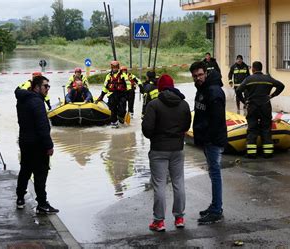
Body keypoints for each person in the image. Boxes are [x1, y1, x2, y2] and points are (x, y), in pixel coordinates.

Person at [142, 74, 191, 232]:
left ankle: (159, 221)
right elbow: (186, 126)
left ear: (160, 87)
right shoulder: (183, 104)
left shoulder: (154, 105)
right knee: (178, 183)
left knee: (160, 185)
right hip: (177, 149)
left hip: (158, 150)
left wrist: (157, 136)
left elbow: (147, 130)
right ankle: (179, 218)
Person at [189, 61, 227, 224]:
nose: (198, 78)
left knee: (215, 173)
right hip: (207, 139)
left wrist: (209, 139)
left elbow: (217, 120)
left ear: (206, 73)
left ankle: (217, 210)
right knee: (213, 173)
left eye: (200, 74)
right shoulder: (203, 89)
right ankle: (214, 206)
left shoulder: (213, 91)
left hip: (213, 140)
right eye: (195, 76)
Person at [15, 75, 59, 214]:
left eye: (49, 86)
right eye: (45, 86)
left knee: (25, 170)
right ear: (37, 87)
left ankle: (20, 198)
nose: (47, 89)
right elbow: (42, 126)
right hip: (38, 144)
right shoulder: (37, 102)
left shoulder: (22, 99)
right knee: (41, 173)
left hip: (25, 141)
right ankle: (42, 204)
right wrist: (49, 145)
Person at [236, 61, 285, 159]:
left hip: (253, 107)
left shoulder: (248, 79)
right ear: (261, 68)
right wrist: (272, 95)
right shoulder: (268, 78)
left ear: (253, 69)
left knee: (252, 129)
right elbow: (281, 86)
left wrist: (244, 101)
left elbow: (238, 91)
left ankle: (251, 153)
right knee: (266, 129)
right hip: (265, 106)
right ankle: (268, 153)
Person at [95, 61, 131, 128]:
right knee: (113, 110)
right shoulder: (108, 76)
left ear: (118, 67)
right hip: (112, 95)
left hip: (122, 94)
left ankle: (121, 118)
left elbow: (128, 85)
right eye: (113, 67)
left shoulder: (123, 75)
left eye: (116, 67)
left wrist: (128, 95)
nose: (115, 69)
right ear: (111, 68)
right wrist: (101, 96)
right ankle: (114, 123)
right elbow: (105, 87)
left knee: (122, 109)